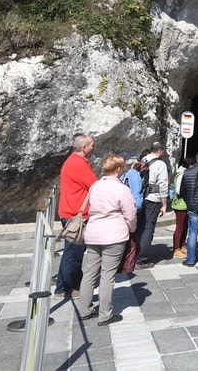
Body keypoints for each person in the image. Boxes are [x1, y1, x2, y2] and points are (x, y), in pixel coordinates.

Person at [77, 154, 137, 326]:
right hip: (114, 235)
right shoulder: (122, 189)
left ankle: (84, 310)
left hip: (93, 233)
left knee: (89, 272)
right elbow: (130, 213)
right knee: (107, 275)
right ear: (118, 169)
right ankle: (105, 314)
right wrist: (131, 229)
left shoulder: (95, 186)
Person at [55, 133, 98, 300]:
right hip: (76, 215)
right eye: (92, 145)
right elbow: (94, 185)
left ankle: (69, 285)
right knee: (73, 253)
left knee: (72, 252)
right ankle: (66, 288)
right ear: (84, 147)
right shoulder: (78, 164)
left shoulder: (75, 162)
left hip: (72, 213)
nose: (94, 147)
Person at [135, 142, 169, 269]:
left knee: (139, 227)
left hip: (139, 198)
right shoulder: (160, 164)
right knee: (148, 228)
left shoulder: (141, 160)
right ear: (160, 151)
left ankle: (134, 254)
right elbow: (163, 185)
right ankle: (141, 259)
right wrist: (164, 204)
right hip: (153, 199)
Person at [170, 157, 194, 258]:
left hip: (185, 205)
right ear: (190, 165)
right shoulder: (181, 174)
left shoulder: (184, 173)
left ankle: (182, 245)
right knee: (179, 227)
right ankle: (176, 248)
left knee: (185, 227)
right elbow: (179, 190)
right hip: (180, 205)